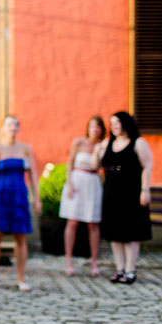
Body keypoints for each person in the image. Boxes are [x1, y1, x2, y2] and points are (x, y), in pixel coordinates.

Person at [0, 115, 41, 292]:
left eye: (15, 125)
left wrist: (37, 198)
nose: (12, 128)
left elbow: (33, 175)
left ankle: (21, 278)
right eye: (9, 125)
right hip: (0, 194)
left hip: (19, 196)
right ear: (3, 127)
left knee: (20, 238)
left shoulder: (25, 148)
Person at [93, 111, 153, 285]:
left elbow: (147, 165)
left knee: (131, 232)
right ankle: (119, 269)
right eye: (111, 124)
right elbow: (96, 166)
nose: (114, 126)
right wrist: (97, 151)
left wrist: (145, 189)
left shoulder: (138, 143)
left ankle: (130, 269)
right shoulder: (108, 143)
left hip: (131, 191)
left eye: (117, 123)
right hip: (112, 192)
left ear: (125, 123)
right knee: (114, 232)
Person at [59, 115, 105, 276]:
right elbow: (70, 163)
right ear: (88, 128)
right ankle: (69, 259)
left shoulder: (102, 146)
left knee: (93, 223)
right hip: (77, 180)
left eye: (98, 127)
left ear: (101, 130)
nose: (95, 129)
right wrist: (69, 184)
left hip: (92, 182)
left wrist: (98, 151)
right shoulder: (78, 142)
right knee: (72, 222)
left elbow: (97, 166)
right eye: (92, 126)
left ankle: (94, 261)